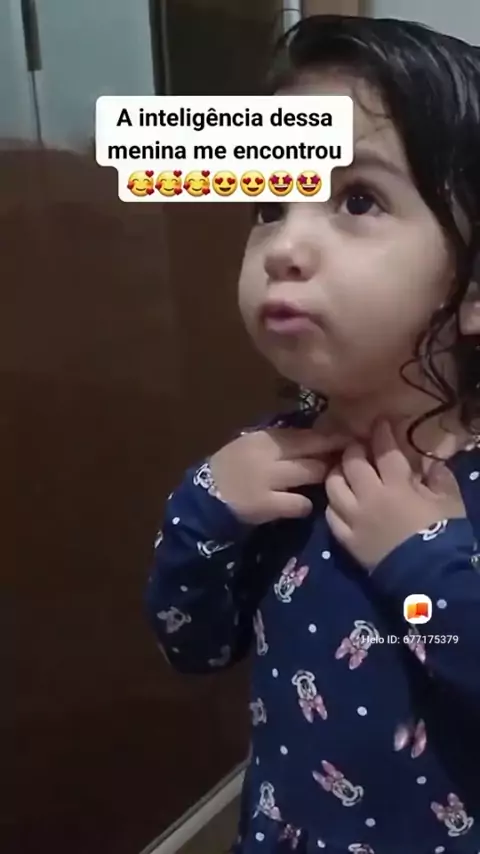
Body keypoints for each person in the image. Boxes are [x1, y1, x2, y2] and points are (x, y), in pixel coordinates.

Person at [145, 15, 480, 854]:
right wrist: (204, 511)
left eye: (358, 199)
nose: (285, 245)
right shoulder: (270, 468)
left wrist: (425, 567)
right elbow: (192, 647)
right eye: (270, 203)